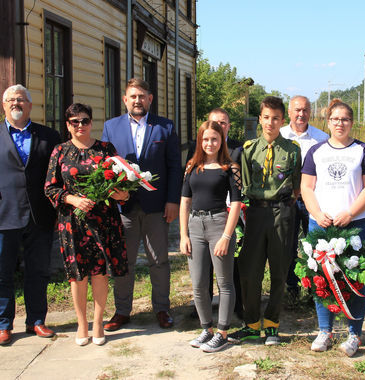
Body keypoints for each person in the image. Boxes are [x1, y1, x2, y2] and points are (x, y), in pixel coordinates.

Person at [0, 84, 60, 345]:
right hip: (1, 215)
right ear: (3, 105)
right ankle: (3, 324)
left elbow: (58, 177)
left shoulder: (48, 136)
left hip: (39, 215)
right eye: (11, 100)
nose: (16, 104)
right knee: (0, 273)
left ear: (30, 105)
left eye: (21, 99)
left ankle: (36, 321)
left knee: (38, 271)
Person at [44, 103, 129, 346]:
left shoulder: (105, 149)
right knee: (78, 276)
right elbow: (50, 187)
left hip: (103, 220)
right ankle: (82, 324)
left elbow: (122, 184)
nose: (80, 125)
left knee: (100, 273)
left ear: (92, 122)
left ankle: (99, 322)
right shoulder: (59, 151)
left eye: (84, 120)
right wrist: (72, 199)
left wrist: (120, 194)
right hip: (73, 222)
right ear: (68, 125)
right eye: (74, 121)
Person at [102, 78, 182, 331]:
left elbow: (174, 167)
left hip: (156, 207)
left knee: (159, 261)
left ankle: (162, 308)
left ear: (150, 99)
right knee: (123, 262)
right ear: (125, 99)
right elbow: (106, 167)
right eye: (133, 96)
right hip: (123, 208)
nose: (137, 100)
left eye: (142, 96)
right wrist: (115, 194)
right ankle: (122, 311)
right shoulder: (111, 127)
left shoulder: (165, 127)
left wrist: (172, 201)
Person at [301, 99, 365, 356]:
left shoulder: (363, 151)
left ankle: (354, 334)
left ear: (352, 123)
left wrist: (351, 212)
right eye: (335, 119)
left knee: (354, 280)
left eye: (345, 119)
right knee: (322, 278)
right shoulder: (316, 152)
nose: (340, 124)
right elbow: (306, 188)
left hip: (355, 226)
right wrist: (316, 213)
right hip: (322, 226)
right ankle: (325, 330)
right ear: (328, 122)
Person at [228, 96, 301, 346]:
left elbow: (297, 186)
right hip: (256, 213)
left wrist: (287, 205)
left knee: (279, 270)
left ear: (283, 120)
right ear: (260, 119)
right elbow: (245, 185)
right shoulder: (249, 150)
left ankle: (271, 324)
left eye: (276, 118)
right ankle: (251, 323)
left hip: (281, 213)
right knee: (249, 271)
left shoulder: (292, 150)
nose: (270, 123)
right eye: (266, 117)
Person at [180, 120, 242, 352]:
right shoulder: (191, 167)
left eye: (214, 139)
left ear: (221, 141)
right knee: (198, 283)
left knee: (224, 283)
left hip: (219, 224)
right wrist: (183, 234)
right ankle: (206, 328)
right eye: (205, 139)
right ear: (200, 141)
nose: (209, 143)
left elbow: (236, 203)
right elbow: (185, 201)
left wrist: (227, 236)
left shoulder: (230, 168)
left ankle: (222, 332)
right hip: (195, 225)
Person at [280, 95, 329, 302]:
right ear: (289, 112)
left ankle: (315, 287)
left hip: (313, 200)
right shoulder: (280, 135)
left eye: (305, 110)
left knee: (316, 244)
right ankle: (292, 286)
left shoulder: (321, 138)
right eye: (297, 110)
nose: (301, 114)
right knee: (288, 245)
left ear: (310, 112)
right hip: (287, 199)